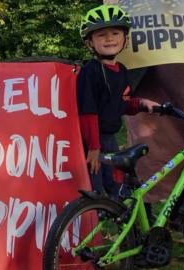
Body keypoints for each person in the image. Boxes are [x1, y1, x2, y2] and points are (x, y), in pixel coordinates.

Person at [76, 4, 159, 198]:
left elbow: (120, 104)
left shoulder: (121, 71)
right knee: (94, 188)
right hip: (91, 141)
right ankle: (95, 224)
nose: (110, 38)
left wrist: (140, 103)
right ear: (90, 43)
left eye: (115, 33)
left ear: (126, 40)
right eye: (101, 35)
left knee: (116, 184)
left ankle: (122, 221)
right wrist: (94, 147)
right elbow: (88, 112)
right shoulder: (90, 72)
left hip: (110, 140)